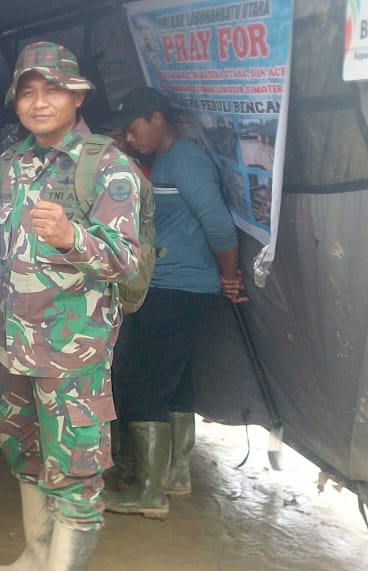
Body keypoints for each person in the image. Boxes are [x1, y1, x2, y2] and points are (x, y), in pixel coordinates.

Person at [0, 42, 142, 571]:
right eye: (28, 92)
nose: (40, 102)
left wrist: (72, 237)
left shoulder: (108, 165)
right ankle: (34, 558)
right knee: (24, 455)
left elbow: (126, 260)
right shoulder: (10, 165)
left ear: (78, 96)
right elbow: (1, 255)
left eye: (53, 90)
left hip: (74, 356)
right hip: (13, 346)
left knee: (75, 471)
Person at [101, 87, 246, 519]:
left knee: (144, 383)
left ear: (157, 118)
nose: (130, 138)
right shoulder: (164, 161)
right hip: (178, 288)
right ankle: (175, 474)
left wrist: (230, 275)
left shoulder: (185, 159)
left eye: (134, 128)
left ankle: (147, 490)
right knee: (176, 383)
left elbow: (218, 224)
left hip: (178, 290)